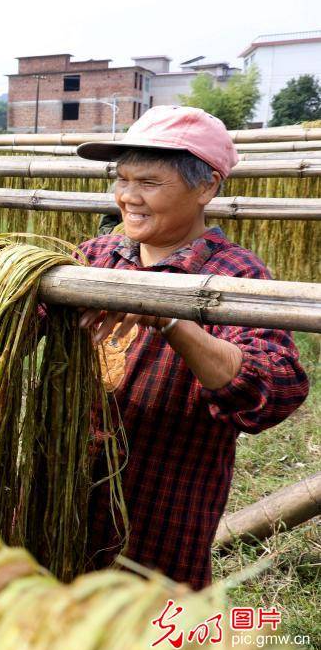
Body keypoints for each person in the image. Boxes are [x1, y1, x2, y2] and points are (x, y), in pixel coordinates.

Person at [74, 105, 309, 588]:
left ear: (206, 187)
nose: (127, 197)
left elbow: (273, 390)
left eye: (149, 183)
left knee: (151, 643)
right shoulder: (97, 255)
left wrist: (173, 321)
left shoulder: (235, 274)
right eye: (122, 180)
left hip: (164, 501)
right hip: (66, 488)